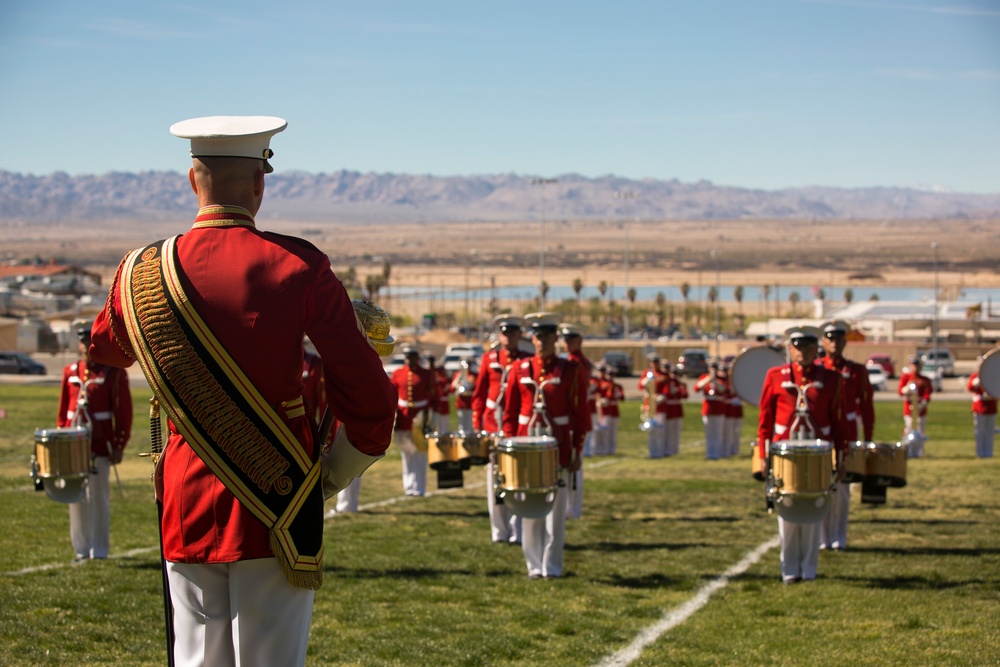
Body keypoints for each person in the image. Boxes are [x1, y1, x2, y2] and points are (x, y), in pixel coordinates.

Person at [89, 115, 396, 666]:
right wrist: (333, 475)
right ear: (260, 184)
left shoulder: (141, 272)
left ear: (192, 181)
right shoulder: (299, 265)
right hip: (277, 501)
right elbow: (371, 400)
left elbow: (104, 351)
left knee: (195, 658)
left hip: (184, 496)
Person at [757, 326, 846, 584]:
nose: (802, 352)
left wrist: (840, 458)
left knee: (813, 509)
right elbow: (765, 420)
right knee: (786, 508)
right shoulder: (776, 376)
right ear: (790, 348)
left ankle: (808, 568)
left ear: (815, 349)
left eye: (808, 347)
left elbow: (838, 423)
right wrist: (763, 455)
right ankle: (789, 568)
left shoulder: (830, 379)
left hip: (817, 454)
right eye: (797, 347)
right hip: (785, 454)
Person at [503, 313, 589, 578]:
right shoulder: (519, 369)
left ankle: (552, 565)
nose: (543, 341)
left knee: (556, 512)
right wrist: (508, 447)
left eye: (549, 337)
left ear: (555, 339)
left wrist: (577, 450)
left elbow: (580, 414)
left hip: (559, 447)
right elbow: (510, 413)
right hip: (526, 448)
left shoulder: (571, 370)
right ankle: (534, 565)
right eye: (538, 337)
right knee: (530, 508)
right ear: (532, 339)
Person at [57, 322, 132, 562]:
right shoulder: (70, 372)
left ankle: (98, 550)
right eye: (82, 342)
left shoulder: (113, 372)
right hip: (73, 444)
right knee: (75, 498)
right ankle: (80, 548)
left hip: (100, 445)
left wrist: (119, 445)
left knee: (98, 498)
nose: (85, 347)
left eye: (89, 342)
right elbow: (62, 411)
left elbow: (123, 412)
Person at [472, 315, 531, 545]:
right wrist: (478, 425)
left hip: (516, 428)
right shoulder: (489, 359)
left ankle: (517, 528)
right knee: (494, 479)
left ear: (519, 335)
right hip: (493, 426)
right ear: (499, 335)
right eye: (505, 333)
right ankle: (499, 530)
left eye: (513, 333)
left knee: (517, 478)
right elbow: (479, 394)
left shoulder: (526, 360)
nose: (508, 337)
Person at [817, 319, 874, 552]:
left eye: (839, 339)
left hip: (847, 433)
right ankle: (822, 536)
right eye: (830, 339)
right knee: (821, 484)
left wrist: (867, 437)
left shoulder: (856, 371)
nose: (835, 343)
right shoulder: (819, 369)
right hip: (822, 432)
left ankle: (839, 534)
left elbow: (867, 406)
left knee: (842, 487)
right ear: (823, 341)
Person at [390, 346, 436, 496]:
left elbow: (433, 395)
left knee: (420, 453)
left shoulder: (426, 374)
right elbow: (392, 395)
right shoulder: (398, 373)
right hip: (404, 418)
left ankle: (420, 487)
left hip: (421, 417)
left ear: (417, 358)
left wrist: (430, 418)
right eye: (407, 357)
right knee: (407, 453)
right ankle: (409, 487)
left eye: (411, 356)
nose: (408, 359)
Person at [560, 323, 594, 519]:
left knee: (574, 465)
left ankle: (572, 509)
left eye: (570, 340)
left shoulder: (576, 362)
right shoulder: (579, 360)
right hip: (577, 416)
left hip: (575, 417)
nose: (567, 343)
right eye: (565, 340)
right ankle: (571, 508)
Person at [898, 355, 933, 458]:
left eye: (917, 365)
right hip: (909, 409)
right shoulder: (906, 377)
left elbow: (927, 393)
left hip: (920, 409)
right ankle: (908, 451)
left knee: (920, 430)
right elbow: (900, 391)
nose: (916, 368)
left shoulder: (924, 379)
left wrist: (923, 404)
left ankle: (919, 452)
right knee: (908, 429)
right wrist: (907, 388)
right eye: (913, 365)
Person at [695, 361, 729, 460]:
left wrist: (714, 381)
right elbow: (697, 387)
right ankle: (710, 453)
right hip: (708, 408)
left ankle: (717, 453)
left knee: (718, 433)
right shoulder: (704, 377)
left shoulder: (722, 379)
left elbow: (723, 390)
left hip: (719, 409)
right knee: (709, 432)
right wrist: (708, 379)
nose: (713, 370)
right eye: (711, 368)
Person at [638, 353, 669, 458]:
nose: (654, 364)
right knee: (651, 430)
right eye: (652, 362)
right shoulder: (646, 373)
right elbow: (640, 385)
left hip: (659, 405)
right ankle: (652, 452)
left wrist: (660, 397)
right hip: (649, 405)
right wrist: (648, 378)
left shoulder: (663, 374)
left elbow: (666, 390)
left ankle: (659, 452)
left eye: (656, 362)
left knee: (659, 430)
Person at [968, 362, 996, 458]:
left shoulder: (993, 375)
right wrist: (975, 382)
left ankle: (988, 453)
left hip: (991, 406)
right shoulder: (975, 376)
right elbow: (970, 387)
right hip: (980, 407)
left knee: (990, 431)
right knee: (980, 431)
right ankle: (980, 453)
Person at [595, 364, 625, 455]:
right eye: (609, 374)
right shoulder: (603, 384)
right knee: (605, 431)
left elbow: (622, 398)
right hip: (606, 410)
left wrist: (619, 395)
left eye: (612, 375)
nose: (610, 376)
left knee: (613, 431)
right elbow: (599, 394)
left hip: (614, 410)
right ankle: (604, 449)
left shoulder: (617, 386)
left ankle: (612, 449)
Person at [663, 361, 687, 457]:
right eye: (673, 373)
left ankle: (674, 449)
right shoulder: (667, 383)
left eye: (676, 374)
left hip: (677, 408)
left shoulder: (680, 384)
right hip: (669, 408)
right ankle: (667, 449)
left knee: (676, 431)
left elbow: (684, 395)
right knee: (668, 431)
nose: (674, 376)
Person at [451, 359, 478, 434]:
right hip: (461, 403)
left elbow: (476, 388)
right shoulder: (458, 374)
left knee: (470, 425)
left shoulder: (473, 375)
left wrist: (469, 392)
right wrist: (460, 376)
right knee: (462, 425)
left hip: (470, 403)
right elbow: (452, 388)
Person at [722, 365, 743, 458]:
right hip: (728, 410)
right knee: (727, 432)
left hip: (737, 410)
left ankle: (735, 449)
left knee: (736, 431)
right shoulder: (725, 382)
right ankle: (726, 450)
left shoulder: (738, 382)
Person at [427, 354, 452, 434]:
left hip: (442, 402)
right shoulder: (433, 375)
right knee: (434, 423)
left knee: (443, 423)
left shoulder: (442, 378)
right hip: (433, 402)